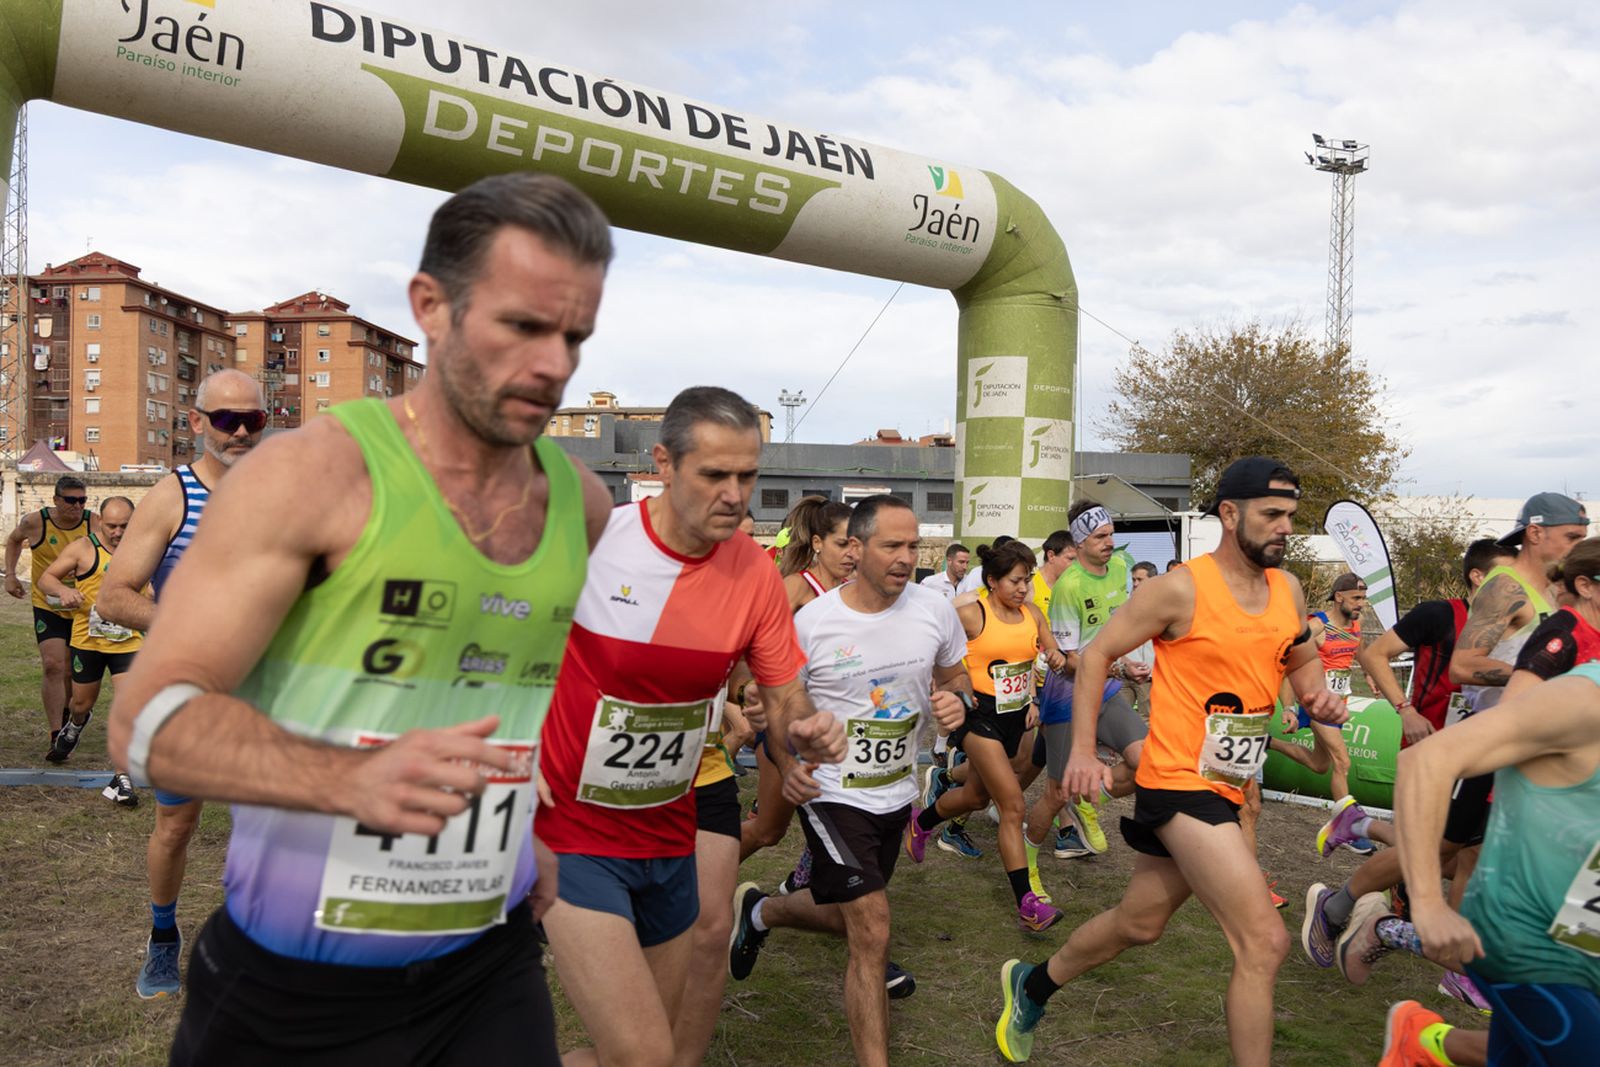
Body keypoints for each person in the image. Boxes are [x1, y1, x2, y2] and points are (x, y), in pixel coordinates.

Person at [108, 172, 619, 1064]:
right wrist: (346, 778)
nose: (554, 366)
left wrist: (523, 827)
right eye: (522, 326)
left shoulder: (580, 505)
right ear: (431, 305)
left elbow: (508, 685)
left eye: (574, 334)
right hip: (297, 990)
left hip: (488, 964)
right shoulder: (311, 476)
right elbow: (144, 724)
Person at [994, 457, 1347, 1066]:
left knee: (1139, 923)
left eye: (1290, 515)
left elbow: (1297, 655)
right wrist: (1080, 749)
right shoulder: (1182, 587)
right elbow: (1098, 652)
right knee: (1263, 942)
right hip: (1180, 780)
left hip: (1228, 782)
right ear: (1230, 515)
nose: (1285, 527)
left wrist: (1317, 694)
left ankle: (1033, 984)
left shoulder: (1287, 589)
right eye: (1272, 515)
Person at [535, 387, 846, 1067]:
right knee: (646, 1053)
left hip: (670, 831)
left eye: (748, 476)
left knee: (651, 1053)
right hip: (572, 832)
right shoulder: (595, 540)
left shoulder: (757, 577)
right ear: (664, 464)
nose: (735, 494)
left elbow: (784, 695)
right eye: (715, 475)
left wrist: (809, 728)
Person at [727, 495, 969, 1067]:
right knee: (873, 930)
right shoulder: (813, 623)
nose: (907, 558)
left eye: (913, 545)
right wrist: (779, 733)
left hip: (895, 789)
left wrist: (957, 700)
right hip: (831, 791)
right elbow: (774, 698)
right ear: (855, 549)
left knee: (851, 914)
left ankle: (763, 911)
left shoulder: (934, 610)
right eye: (892, 545)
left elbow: (957, 674)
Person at [93, 368, 267, 993]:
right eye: (226, 419)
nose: (241, 431)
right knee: (176, 825)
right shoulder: (175, 494)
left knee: (270, 829)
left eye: (254, 419)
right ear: (197, 423)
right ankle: (162, 936)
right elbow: (115, 596)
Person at [1302, 540, 1514, 975]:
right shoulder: (1440, 615)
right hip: (1429, 748)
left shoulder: (1512, 628)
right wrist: (1406, 709)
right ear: (1478, 576)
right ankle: (1338, 905)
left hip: (1480, 756)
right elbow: (1373, 654)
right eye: (1510, 576)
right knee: (1436, 852)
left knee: (1465, 856)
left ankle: (1453, 963)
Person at [1378, 662, 1600, 1067]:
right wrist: (1427, 902)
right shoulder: (1583, 698)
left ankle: (1419, 1046)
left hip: (1585, 942)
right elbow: (1425, 762)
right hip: (1526, 941)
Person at [906, 539, 1068, 931]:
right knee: (1012, 805)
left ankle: (921, 822)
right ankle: (1027, 904)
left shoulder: (1032, 613)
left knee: (977, 797)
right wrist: (945, 689)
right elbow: (928, 638)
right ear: (992, 580)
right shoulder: (968, 612)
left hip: (1016, 718)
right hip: (977, 715)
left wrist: (1064, 668)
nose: (1023, 588)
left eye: (1027, 580)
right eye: (1014, 581)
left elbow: (1054, 655)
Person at [1022, 501, 1150, 879]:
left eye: (1111, 534)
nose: (1109, 543)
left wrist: (1125, 664)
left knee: (1149, 761)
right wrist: (1115, 667)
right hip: (1067, 698)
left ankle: (1088, 801)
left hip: (1107, 689)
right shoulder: (1069, 587)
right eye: (1100, 537)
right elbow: (1069, 658)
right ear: (1079, 543)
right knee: (1056, 793)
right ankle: (1026, 867)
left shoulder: (1122, 569)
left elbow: (1115, 631)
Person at [740, 497, 856, 862]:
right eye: (842, 544)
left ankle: (811, 874)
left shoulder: (852, 593)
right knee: (767, 831)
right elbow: (747, 643)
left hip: (834, 726)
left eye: (857, 544)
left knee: (847, 819)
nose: (852, 554)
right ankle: (698, 878)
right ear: (818, 543)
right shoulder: (795, 587)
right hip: (785, 727)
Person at [1267, 572, 1369, 851]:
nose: (1362, 604)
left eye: (1364, 598)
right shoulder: (1317, 626)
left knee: (1319, 764)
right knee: (1342, 761)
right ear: (1339, 597)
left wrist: (1370, 675)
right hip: (1316, 703)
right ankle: (1345, 827)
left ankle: (1268, 743)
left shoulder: (1356, 625)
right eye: (1357, 598)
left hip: (1338, 704)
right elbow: (1286, 661)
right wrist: (1288, 706)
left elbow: (1359, 651)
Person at [38, 496, 141, 768]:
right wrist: (64, 590)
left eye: (124, 526)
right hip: (89, 640)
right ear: (100, 522)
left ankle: (122, 774)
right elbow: (46, 578)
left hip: (129, 641)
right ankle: (75, 724)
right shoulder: (83, 548)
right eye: (111, 526)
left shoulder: (145, 548)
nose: (118, 533)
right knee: (81, 704)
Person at [5, 474, 94, 748]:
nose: (77, 506)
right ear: (56, 500)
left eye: (82, 500)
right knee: (54, 665)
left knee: (72, 671)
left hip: (82, 606)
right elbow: (13, 540)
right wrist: (10, 574)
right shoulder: (35, 522)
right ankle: (56, 734)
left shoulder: (95, 523)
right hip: (48, 604)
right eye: (70, 500)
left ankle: (70, 716)